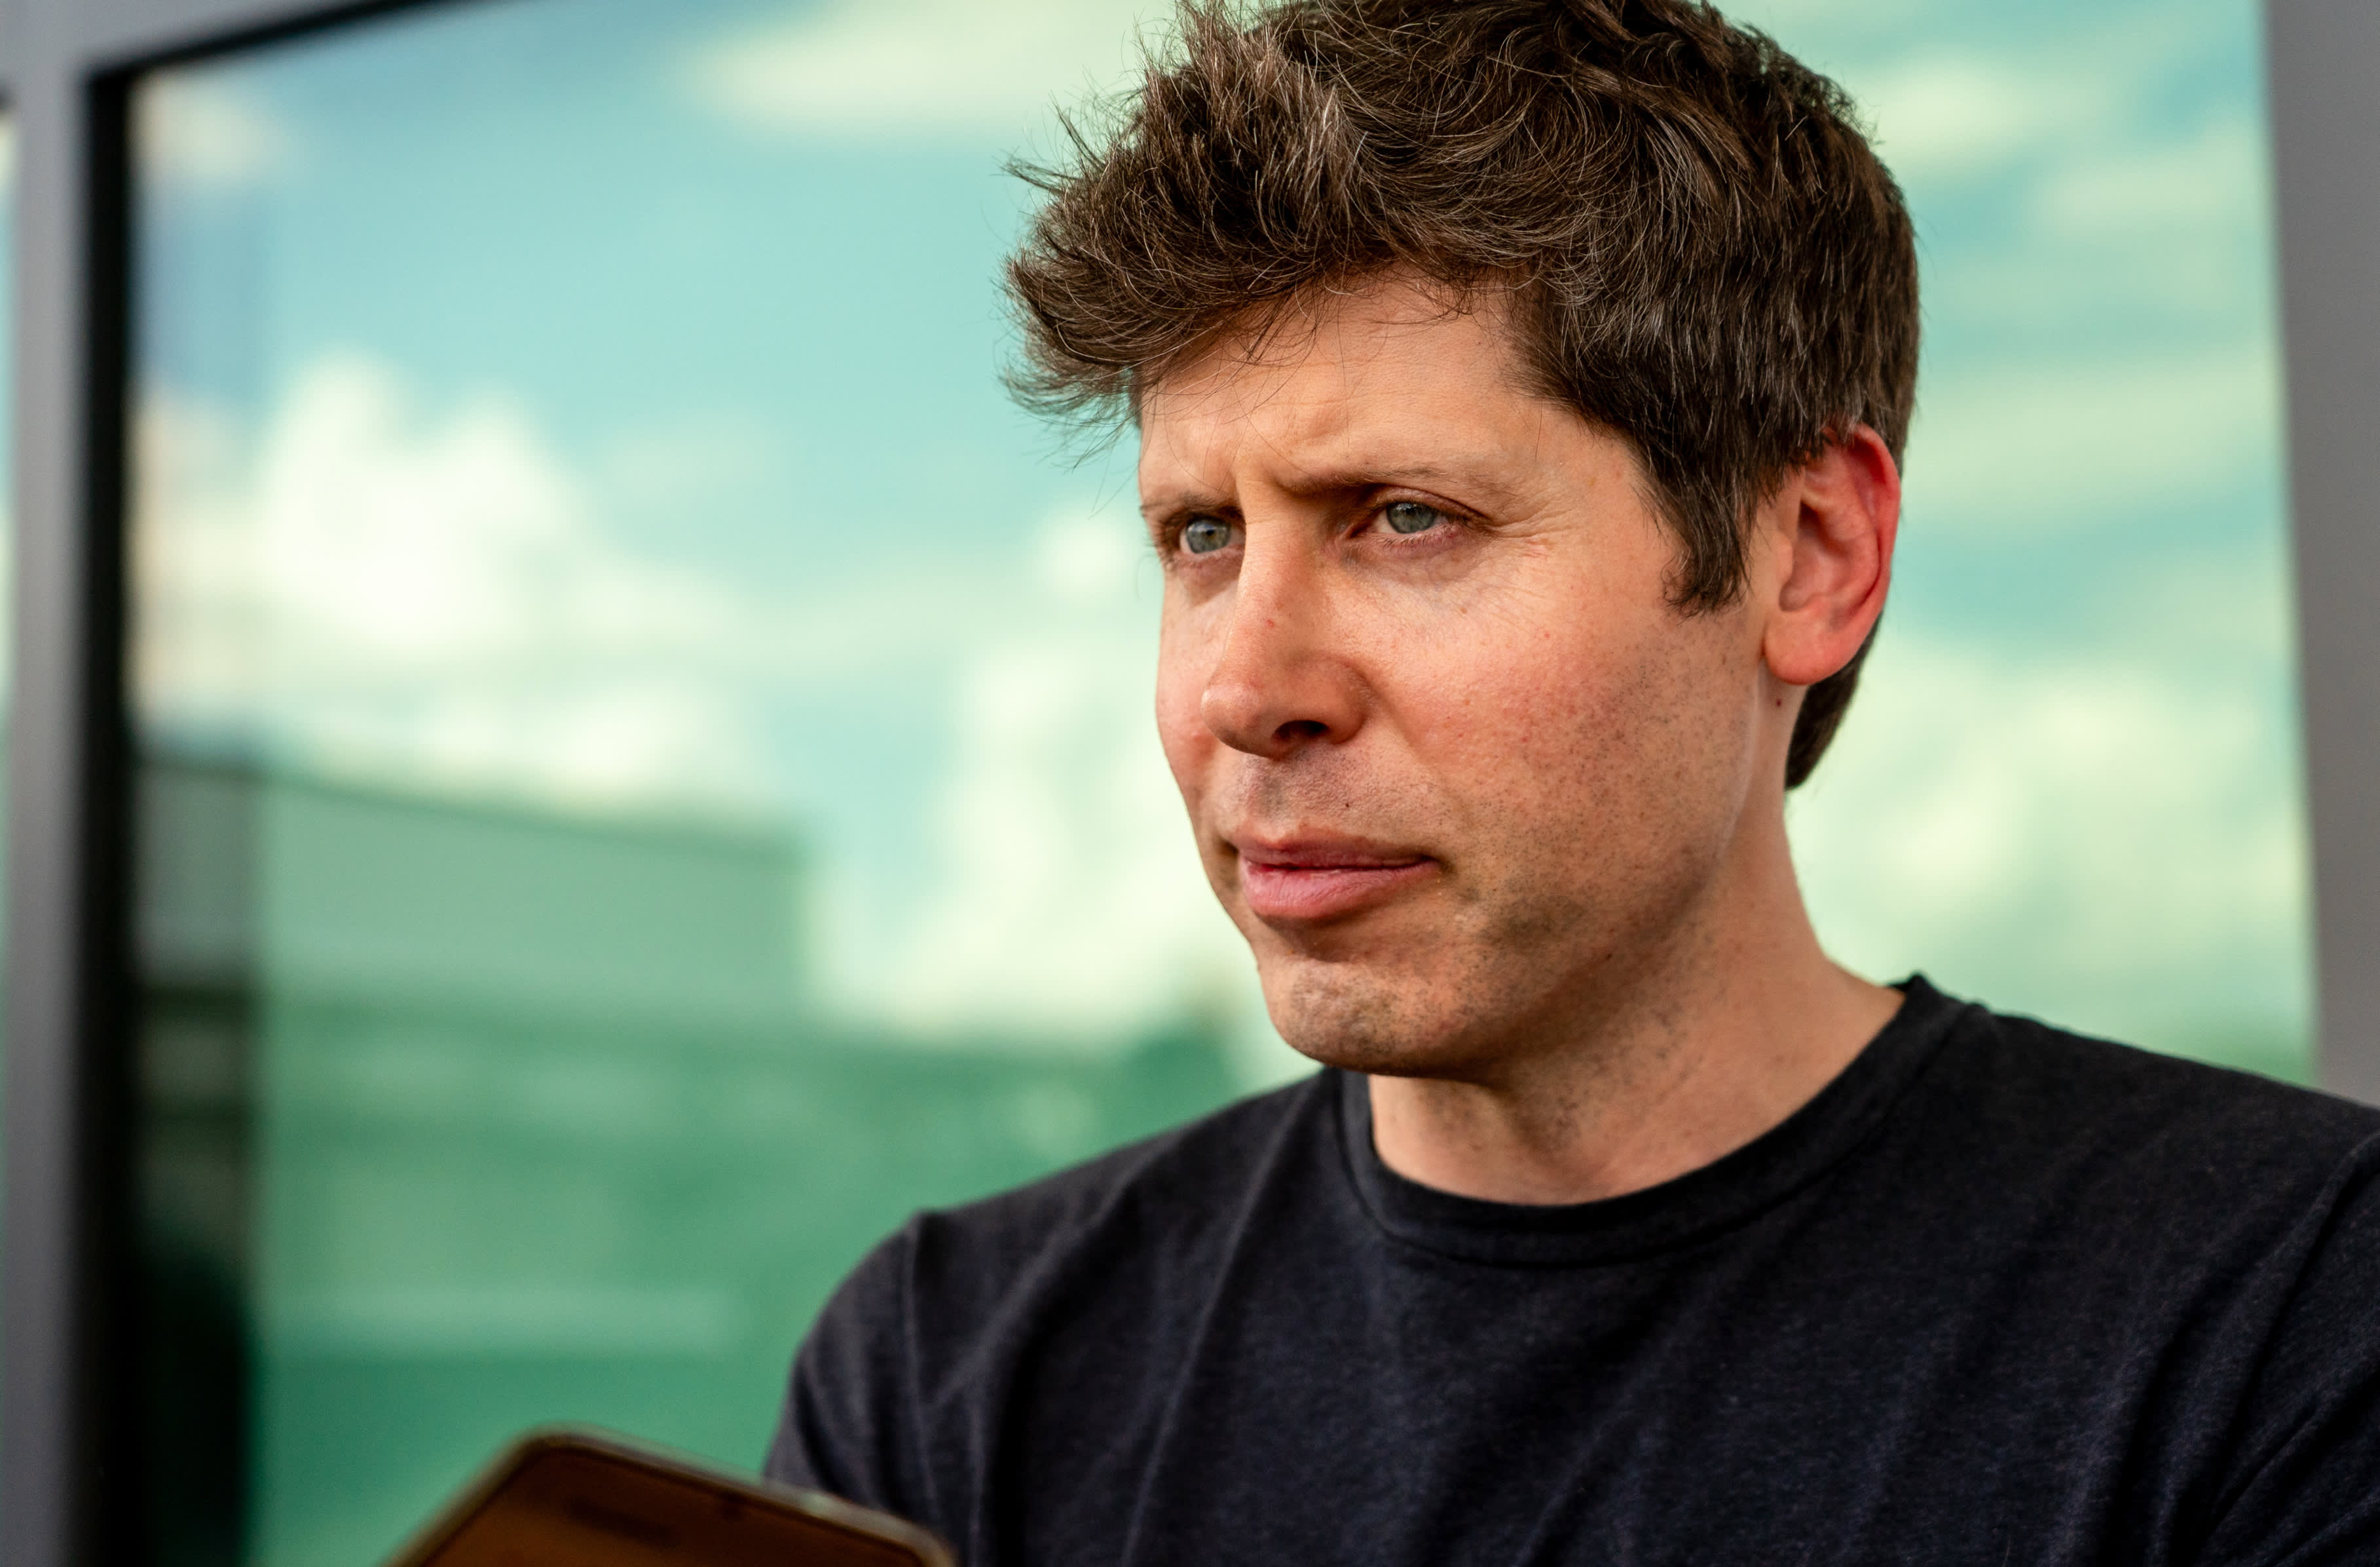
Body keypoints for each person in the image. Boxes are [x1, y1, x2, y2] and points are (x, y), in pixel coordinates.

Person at [766, 1, 2380, 1561]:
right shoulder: (946, 1381)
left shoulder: (2289, 1322)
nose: (1243, 693)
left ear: (1808, 556)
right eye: (1201, 536)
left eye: (1405, 518)